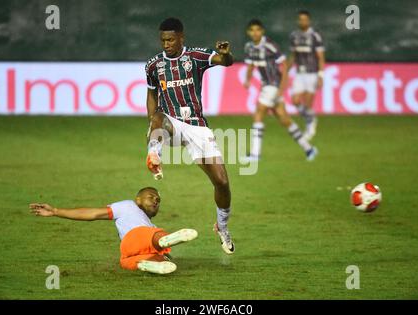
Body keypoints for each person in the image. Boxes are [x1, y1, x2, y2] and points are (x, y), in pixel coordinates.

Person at [144, 17, 235, 254]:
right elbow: (152, 95)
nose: (166, 44)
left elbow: (224, 62)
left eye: (171, 39)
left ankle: (222, 227)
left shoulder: (195, 56)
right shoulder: (153, 66)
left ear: (181, 37)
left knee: (222, 182)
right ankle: (154, 155)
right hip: (170, 122)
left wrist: (225, 55)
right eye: (163, 40)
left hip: (196, 126)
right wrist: (152, 122)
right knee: (157, 117)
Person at [30, 187, 198, 275]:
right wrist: (56, 211)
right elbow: (93, 213)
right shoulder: (128, 206)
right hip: (135, 238)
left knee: (129, 261)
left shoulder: (149, 225)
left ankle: (149, 264)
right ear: (137, 199)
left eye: (158, 200)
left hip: (129, 251)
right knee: (156, 237)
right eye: (151, 196)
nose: (156, 200)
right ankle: (164, 240)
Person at [242, 19, 317, 162]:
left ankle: (255, 154)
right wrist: (247, 79)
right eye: (252, 30)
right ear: (248, 32)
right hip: (268, 86)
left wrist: (282, 88)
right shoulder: (249, 47)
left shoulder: (269, 45)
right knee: (284, 120)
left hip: (273, 85)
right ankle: (308, 149)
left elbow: (284, 65)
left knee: (258, 113)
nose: (255, 32)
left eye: (258, 29)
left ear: (262, 31)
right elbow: (251, 64)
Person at [288, 10, 325, 141]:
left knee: (308, 104)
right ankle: (311, 118)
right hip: (300, 73)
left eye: (305, 19)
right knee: (295, 100)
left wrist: (321, 75)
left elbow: (320, 57)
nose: (302, 22)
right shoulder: (294, 36)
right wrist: (286, 70)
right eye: (300, 19)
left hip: (312, 73)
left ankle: (310, 127)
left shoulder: (315, 35)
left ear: (308, 21)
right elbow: (293, 55)